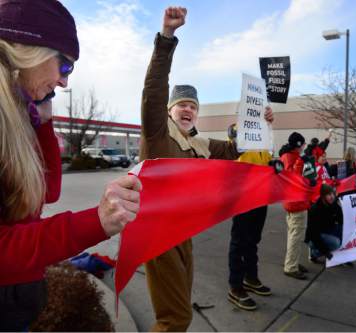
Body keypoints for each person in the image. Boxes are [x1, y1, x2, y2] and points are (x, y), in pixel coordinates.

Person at [0, 1, 142, 330]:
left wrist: (43, 124)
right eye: (65, 66)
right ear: (28, 49)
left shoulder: (21, 117)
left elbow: (47, 192)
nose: (64, 83)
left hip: (19, 299)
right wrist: (97, 221)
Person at [139, 7, 274, 331]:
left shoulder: (199, 143)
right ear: (170, 111)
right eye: (182, 104)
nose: (188, 109)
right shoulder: (157, 133)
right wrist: (167, 38)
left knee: (180, 309)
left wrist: (261, 125)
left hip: (182, 233)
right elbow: (153, 90)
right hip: (157, 234)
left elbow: (234, 148)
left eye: (193, 106)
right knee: (175, 318)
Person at [226, 124, 273, 311]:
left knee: (253, 240)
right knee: (239, 242)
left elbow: (267, 164)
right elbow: (233, 143)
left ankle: (250, 278)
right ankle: (235, 287)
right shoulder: (239, 131)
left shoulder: (264, 141)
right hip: (243, 198)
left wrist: (274, 166)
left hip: (261, 199)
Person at [279, 132, 310, 280]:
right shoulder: (294, 159)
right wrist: (301, 163)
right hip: (296, 202)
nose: (304, 147)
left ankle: (293, 262)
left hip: (291, 202)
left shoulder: (285, 156)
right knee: (295, 236)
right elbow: (294, 179)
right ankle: (291, 267)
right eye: (302, 144)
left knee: (293, 234)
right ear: (298, 145)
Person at [305, 184, 342, 263]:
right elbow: (313, 234)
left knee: (343, 230)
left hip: (326, 230)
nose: (332, 196)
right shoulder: (315, 209)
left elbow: (341, 220)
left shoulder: (334, 204)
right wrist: (325, 252)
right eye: (328, 194)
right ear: (323, 197)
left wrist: (340, 207)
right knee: (336, 243)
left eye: (332, 194)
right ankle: (314, 254)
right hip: (314, 237)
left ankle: (340, 255)